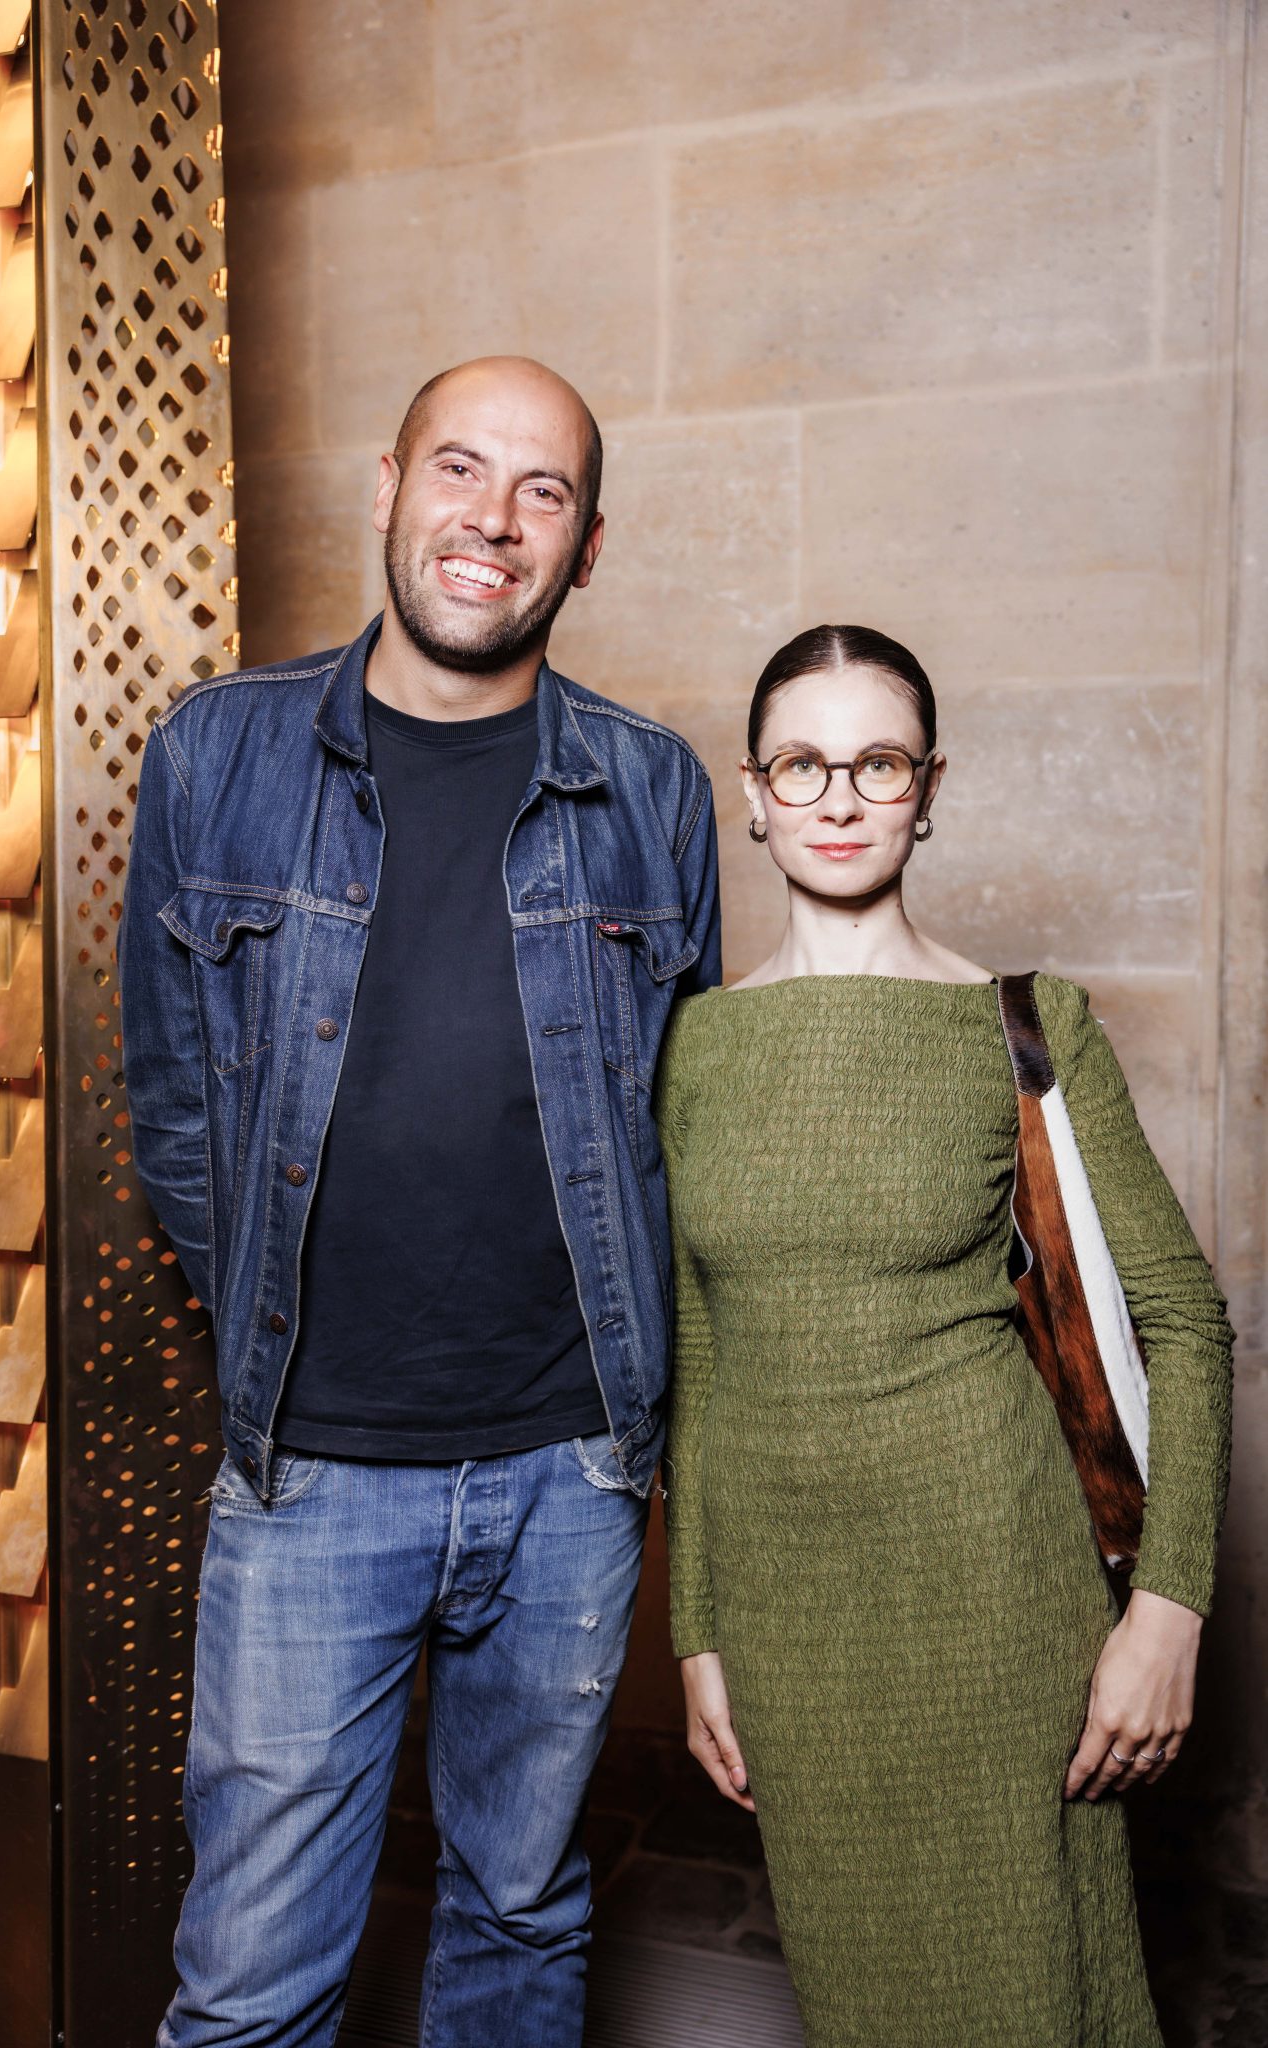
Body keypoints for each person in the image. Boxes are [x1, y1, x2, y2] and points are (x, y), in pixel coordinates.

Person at [119, 356, 721, 2048]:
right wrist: (265, 1330)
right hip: (311, 1468)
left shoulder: (650, 789)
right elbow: (172, 1103)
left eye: (543, 493)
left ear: (586, 547)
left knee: (522, 1919)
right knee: (248, 1988)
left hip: (568, 1468)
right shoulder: (219, 756)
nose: (494, 521)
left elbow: (679, 1124)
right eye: (462, 470)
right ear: (387, 486)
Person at [658, 624, 1233, 2046]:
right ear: (752, 790)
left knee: (1027, 1996)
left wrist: (1167, 1612)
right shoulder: (697, 1048)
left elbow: (1182, 1321)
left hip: (991, 1607)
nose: (839, 795)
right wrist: (695, 1635)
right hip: (792, 1630)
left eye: (877, 761)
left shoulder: (1020, 1029)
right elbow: (702, 1355)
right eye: (803, 762)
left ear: (927, 789)